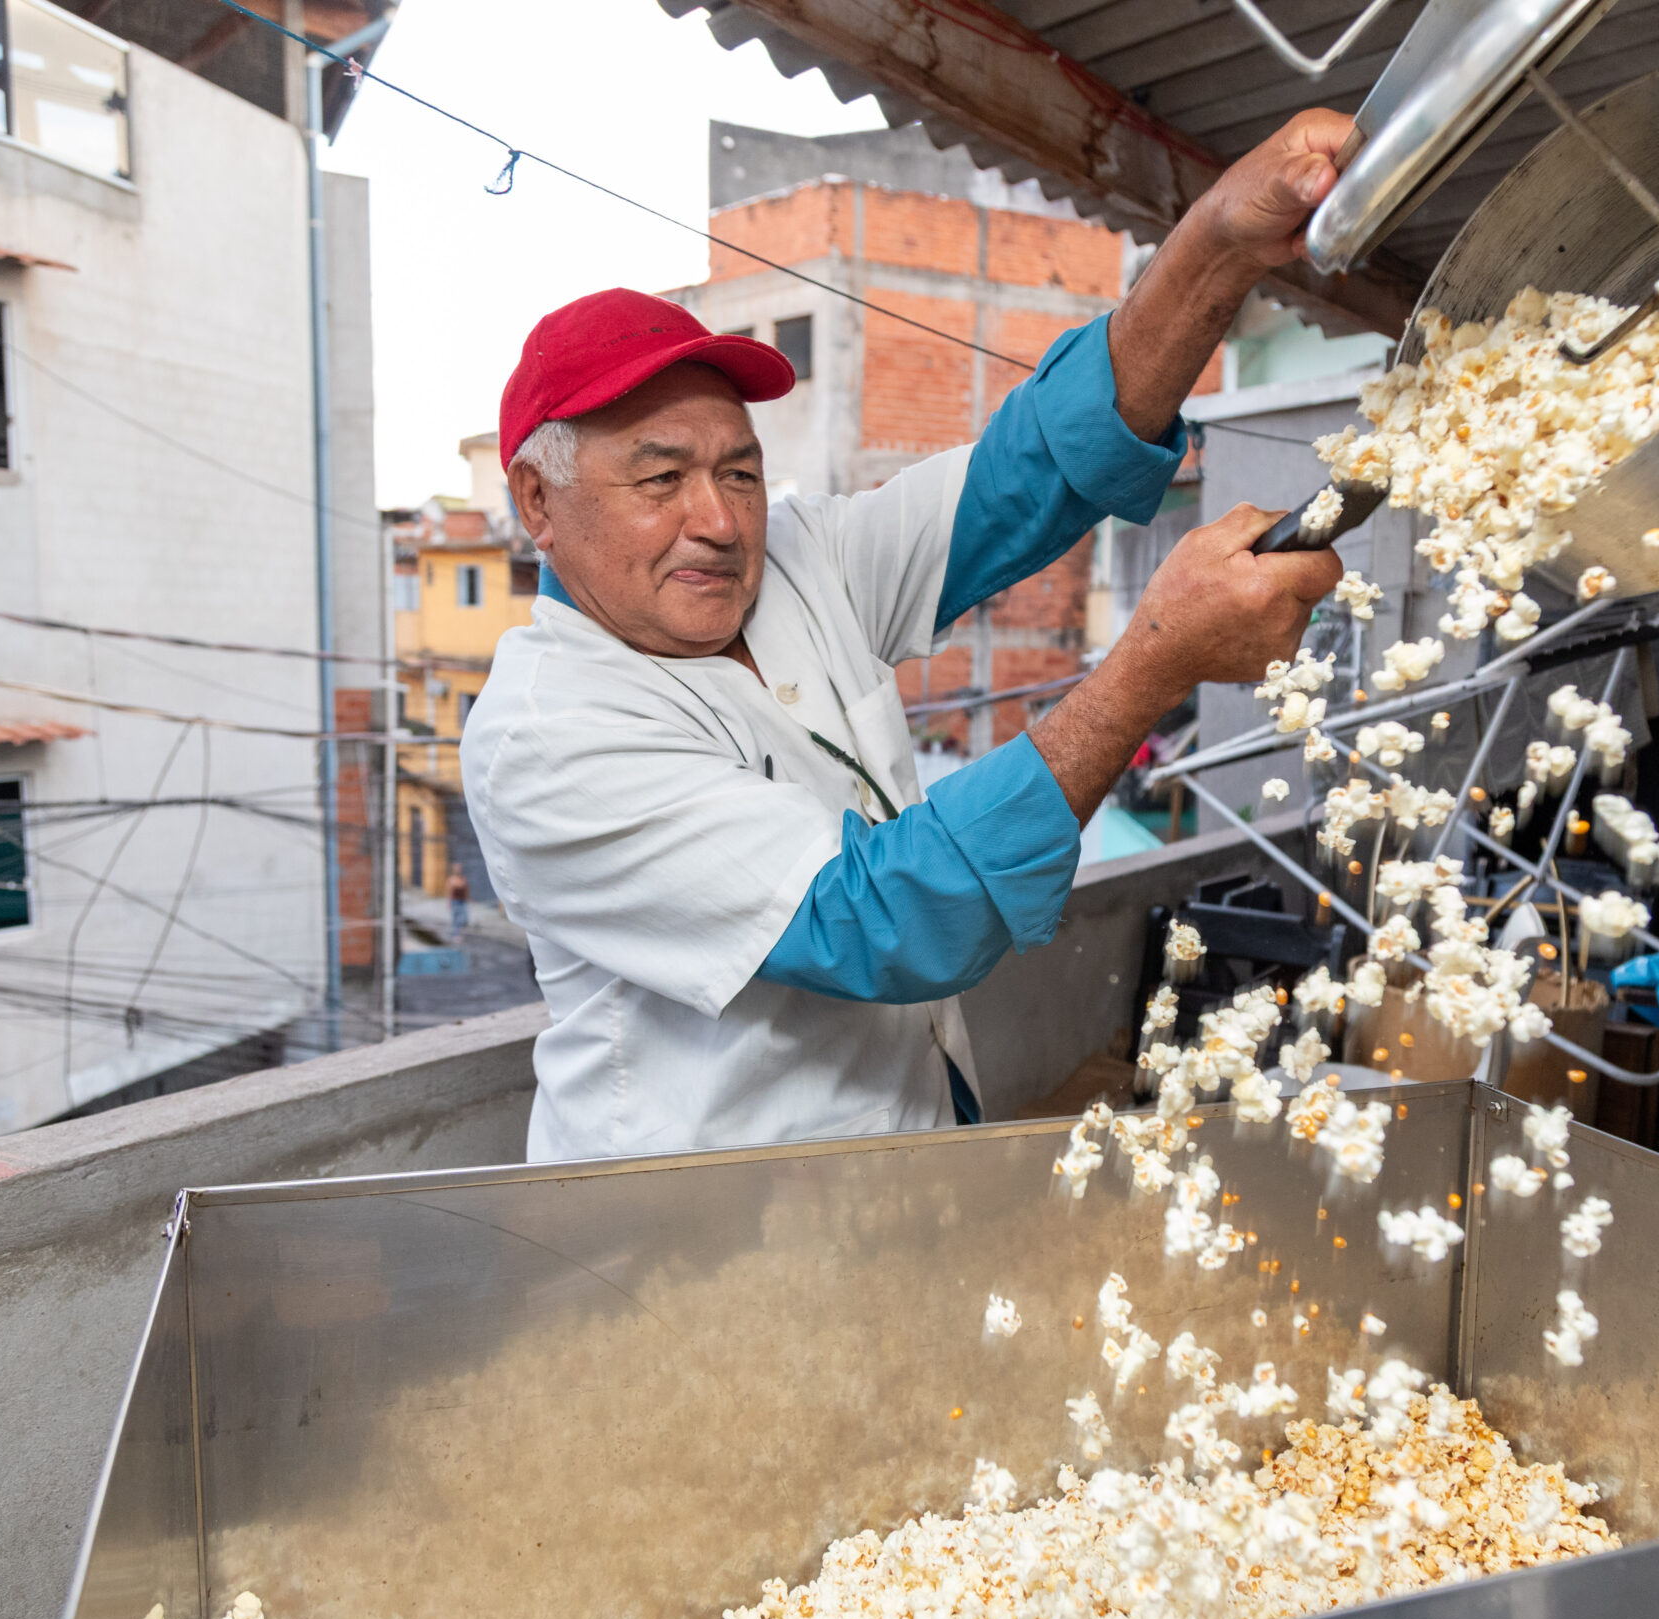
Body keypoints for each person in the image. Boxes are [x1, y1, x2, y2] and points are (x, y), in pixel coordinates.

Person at [464, 110, 1352, 1161]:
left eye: (740, 471)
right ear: (537, 501)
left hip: (898, 1165)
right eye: (661, 478)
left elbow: (1030, 472)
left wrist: (1215, 245)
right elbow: (879, 919)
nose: (718, 519)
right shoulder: (547, 734)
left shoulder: (799, 558)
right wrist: (1154, 661)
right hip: (705, 1226)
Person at [445, 864, 471, 938]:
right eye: (456, 869)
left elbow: (466, 889)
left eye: (459, 869)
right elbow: (450, 891)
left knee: (464, 917)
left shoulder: (463, 878)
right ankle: (455, 934)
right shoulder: (451, 879)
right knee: (456, 918)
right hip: (455, 901)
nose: (458, 870)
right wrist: (449, 902)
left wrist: (468, 898)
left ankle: (458, 932)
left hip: (463, 901)